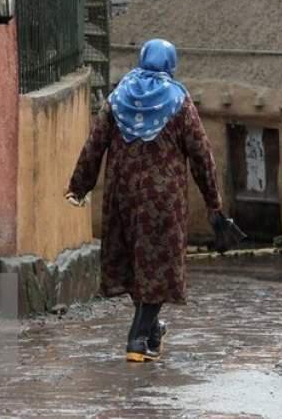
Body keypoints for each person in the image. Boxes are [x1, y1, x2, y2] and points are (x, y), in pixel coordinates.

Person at [65, 38, 222, 363]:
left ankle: (152, 331)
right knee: (158, 267)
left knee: (138, 265)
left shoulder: (118, 97)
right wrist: (213, 201)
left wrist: (79, 186)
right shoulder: (179, 101)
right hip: (163, 202)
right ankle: (137, 339)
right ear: (170, 64)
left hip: (122, 198)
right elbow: (201, 154)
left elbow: (94, 145)